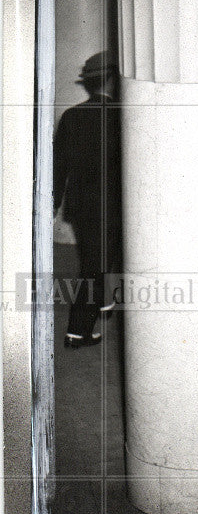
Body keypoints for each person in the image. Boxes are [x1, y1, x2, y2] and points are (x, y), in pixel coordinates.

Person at [53, 51, 121, 349]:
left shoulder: (71, 116)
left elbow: (58, 168)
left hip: (81, 207)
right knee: (95, 268)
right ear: (112, 80)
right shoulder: (121, 116)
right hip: (115, 206)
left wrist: (51, 205)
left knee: (96, 259)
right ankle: (77, 332)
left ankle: (105, 304)